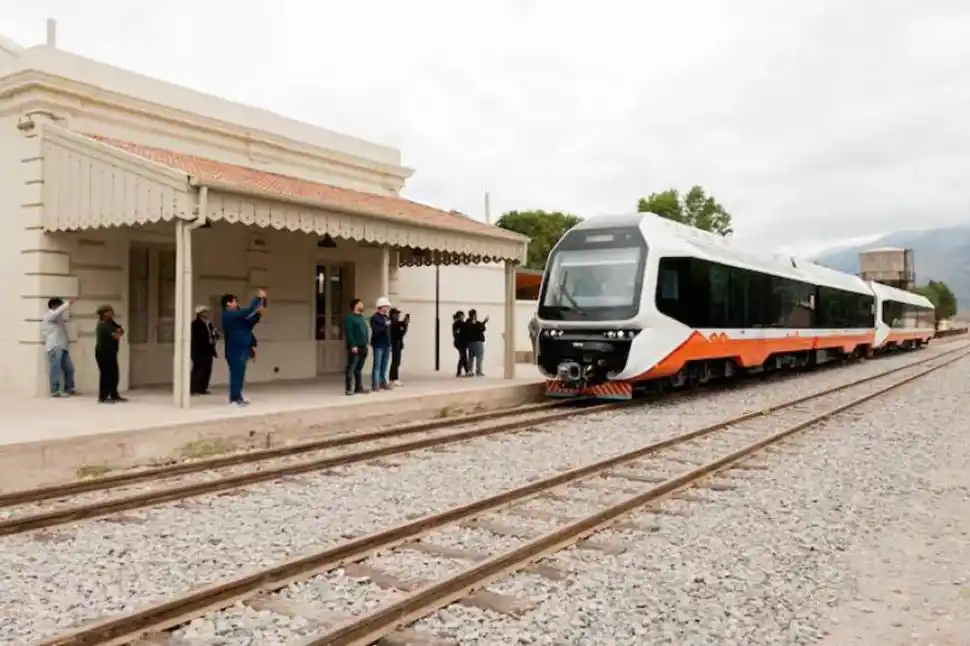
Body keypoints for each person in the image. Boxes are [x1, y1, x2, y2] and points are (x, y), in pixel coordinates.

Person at [220, 289, 265, 407]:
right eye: (234, 301)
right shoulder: (229, 315)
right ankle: (233, 400)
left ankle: (238, 397)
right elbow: (248, 310)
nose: (236, 303)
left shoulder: (236, 317)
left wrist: (259, 313)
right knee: (236, 374)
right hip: (234, 349)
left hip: (242, 348)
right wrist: (258, 298)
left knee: (240, 374)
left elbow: (249, 323)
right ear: (228, 303)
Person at [42, 297, 77, 397]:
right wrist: (67, 304)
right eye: (59, 306)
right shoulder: (49, 315)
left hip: (62, 346)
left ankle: (69, 388)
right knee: (56, 369)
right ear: (53, 306)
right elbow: (56, 312)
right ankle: (55, 390)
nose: (61, 309)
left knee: (69, 368)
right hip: (54, 346)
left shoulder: (58, 318)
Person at [95, 304, 126, 403]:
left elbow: (121, 330)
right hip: (103, 353)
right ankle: (103, 397)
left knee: (114, 375)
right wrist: (118, 333)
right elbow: (116, 336)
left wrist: (119, 331)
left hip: (112, 353)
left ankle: (114, 394)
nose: (112, 314)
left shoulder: (111, 323)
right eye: (109, 312)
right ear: (104, 314)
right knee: (106, 375)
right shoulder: (103, 325)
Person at [190, 305, 220, 395]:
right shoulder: (195, 324)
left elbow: (212, 334)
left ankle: (202, 388)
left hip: (208, 350)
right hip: (199, 351)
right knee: (198, 369)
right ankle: (194, 388)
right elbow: (196, 338)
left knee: (207, 369)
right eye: (204, 312)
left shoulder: (208, 323)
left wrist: (215, 335)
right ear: (199, 313)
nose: (207, 313)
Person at [343, 298, 369, 395]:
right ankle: (349, 388)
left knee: (359, 369)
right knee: (351, 367)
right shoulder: (349, 318)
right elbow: (349, 332)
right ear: (355, 305)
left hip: (363, 346)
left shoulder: (361, 317)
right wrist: (353, 345)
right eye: (360, 304)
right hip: (355, 347)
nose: (362, 305)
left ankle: (358, 387)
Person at [370, 296, 393, 391]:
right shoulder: (374, 318)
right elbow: (376, 331)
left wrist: (390, 344)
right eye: (386, 306)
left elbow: (389, 332)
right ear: (381, 306)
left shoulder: (386, 317)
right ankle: (375, 384)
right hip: (378, 344)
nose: (387, 308)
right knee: (377, 365)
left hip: (386, 344)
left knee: (384, 364)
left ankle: (383, 382)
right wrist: (385, 325)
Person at [464, 308, 489, 377]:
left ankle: (470, 370)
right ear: (474, 315)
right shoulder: (475, 323)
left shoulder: (467, 323)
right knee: (479, 357)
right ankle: (478, 371)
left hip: (470, 343)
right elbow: (481, 328)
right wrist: (485, 322)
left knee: (471, 357)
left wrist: (483, 322)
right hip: (478, 342)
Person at [388, 308, 410, 387]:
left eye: (398, 314)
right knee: (395, 362)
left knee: (397, 362)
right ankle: (392, 379)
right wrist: (404, 323)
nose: (398, 316)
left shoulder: (397, 323)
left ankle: (395, 378)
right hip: (394, 344)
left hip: (398, 344)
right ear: (392, 315)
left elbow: (402, 333)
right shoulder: (392, 323)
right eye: (396, 314)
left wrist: (405, 324)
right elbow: (397, 327)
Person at [452, 310, 470, 378]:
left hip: (459, 343)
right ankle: (459, 372)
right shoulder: (459, 323)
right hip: (461, 343)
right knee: (463, 357)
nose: (464, 317)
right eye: (463, 315)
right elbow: (462, 331)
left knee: (464, 357)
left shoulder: (456, 323)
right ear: (460, 316)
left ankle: (466, 371)